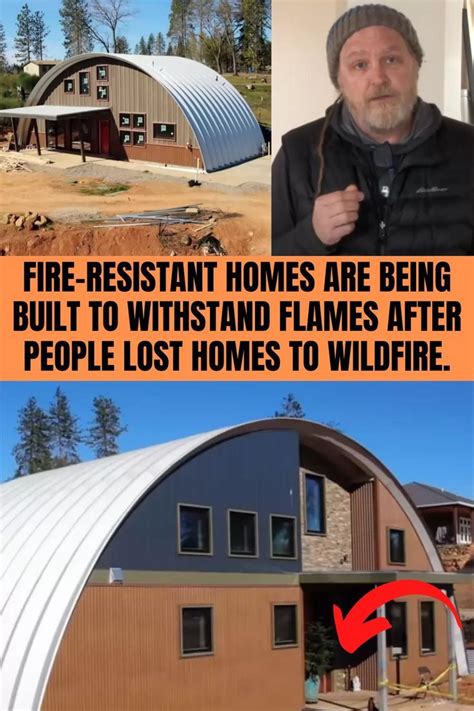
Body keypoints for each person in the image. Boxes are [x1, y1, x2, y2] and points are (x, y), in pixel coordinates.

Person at [272, 4, 474, 255]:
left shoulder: (468, 148)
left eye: (391, 60)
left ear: (416, 66)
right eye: (359, 65)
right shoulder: (297, 155)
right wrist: (311, 236)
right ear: (339, 80)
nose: (378, 78)